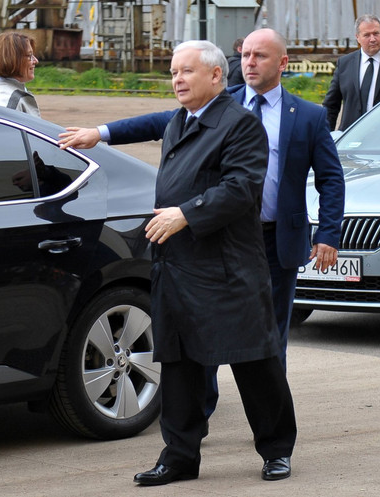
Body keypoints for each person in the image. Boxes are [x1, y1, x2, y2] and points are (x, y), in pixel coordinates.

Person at [58, 28, 345, 382]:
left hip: (275, 242)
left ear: (283, 62)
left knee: (270, 336)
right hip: (218, 240)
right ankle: (201, 415)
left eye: (261, 56)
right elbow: (158, 122)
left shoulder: (308, 116)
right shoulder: (220, 104)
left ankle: (270, 416)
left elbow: (331, 178)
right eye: (246, 55)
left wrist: (328, 234)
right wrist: (100, 133)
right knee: (206, 331)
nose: (250, 63)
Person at [123, 39, 298, 486]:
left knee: (254, 362)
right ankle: (180, 456)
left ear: (216, 76)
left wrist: (187, 213)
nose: (177, 79)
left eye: (186, 71)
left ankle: (276, 449)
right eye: (173, 72)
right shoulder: (179, 122)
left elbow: (241, 189)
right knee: (181, 368)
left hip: (227, 270)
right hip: (178, 266)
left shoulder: (239, 125)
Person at [323, 14, 380, 131]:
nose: (373, 39)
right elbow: (331, 106)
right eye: (367, 35)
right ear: (357, 37)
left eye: (376, 33)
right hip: (350, 136)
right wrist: (325, 139)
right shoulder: (345, 64)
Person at [0, 32, 40, 116]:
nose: (35, 61)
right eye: (29, 56)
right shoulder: (6, 100)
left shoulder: (10, 92)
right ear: (12, 59)